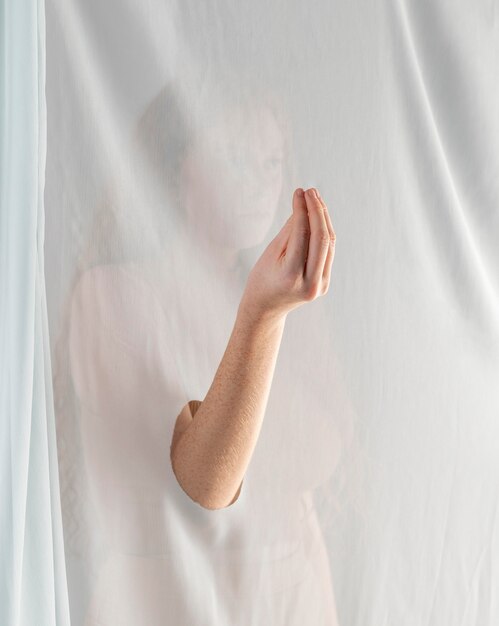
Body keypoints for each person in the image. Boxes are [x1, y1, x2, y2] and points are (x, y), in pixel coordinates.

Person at [65, 78, 351, 624]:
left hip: (291, 595)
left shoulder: (290, 300)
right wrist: (261, 314)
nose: (260, 187)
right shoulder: (114, 298)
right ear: (178, 168)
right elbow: (200, 491)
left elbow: (326, 450)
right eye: (235, 161)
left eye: (272, 164)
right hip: (174, 605)